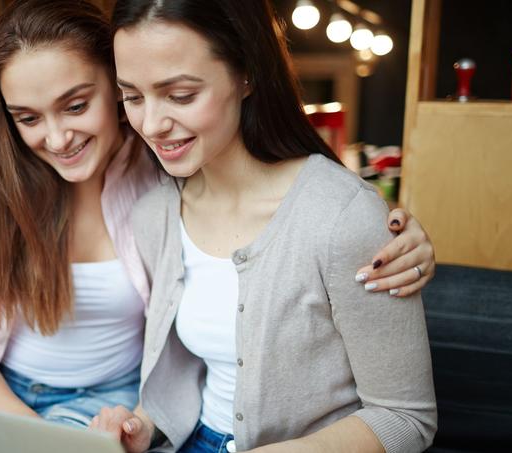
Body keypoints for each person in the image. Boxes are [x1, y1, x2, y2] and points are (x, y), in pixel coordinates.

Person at [0, 0, 435, 451]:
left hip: (110, 401)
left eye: (76, 105)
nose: (56, 136)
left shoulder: (156, 179)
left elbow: (403, 414)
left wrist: (395, 230)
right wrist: (71, 431)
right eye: (135, 97)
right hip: (34, 400)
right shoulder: (158, 202)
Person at [89, 1, 437, 452]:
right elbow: (193, 371)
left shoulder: (342, 217)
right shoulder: (154, 214)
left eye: (180, 95)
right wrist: (143, 426)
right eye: (132, 97)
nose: (151, 124)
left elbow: (406, 418)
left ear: (246, 74)